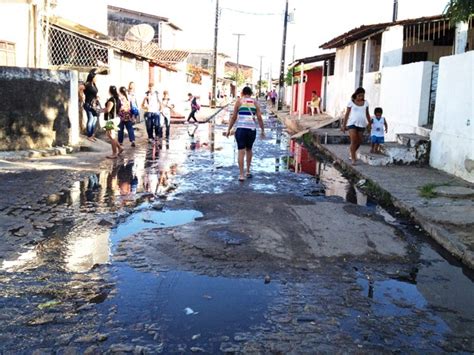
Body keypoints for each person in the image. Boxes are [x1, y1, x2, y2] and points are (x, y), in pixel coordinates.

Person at [225, 86, 265, 181]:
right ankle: (248, 171)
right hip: (251, 130)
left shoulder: (239, 102)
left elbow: (234, 117)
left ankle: (241, 175)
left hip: (241, 130)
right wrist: (262, 130)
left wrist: (229, 129)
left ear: (242, 93)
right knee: (249, 149)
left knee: (240, 151)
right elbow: (259, 117)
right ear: (251, 93)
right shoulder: (255, 102)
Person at [341, 87, 371, 165]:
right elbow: (347, 114)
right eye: (359, 96)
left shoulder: (366, 103)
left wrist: (369, 124)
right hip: (352, 124)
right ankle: (353, 159)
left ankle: (352, 152)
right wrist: (344, 125)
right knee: (354, 140)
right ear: (356, 95)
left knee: (359, 141)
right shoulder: (351, 102)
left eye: (362, 96)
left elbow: (367, 114)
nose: (361, 97)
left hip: (362, 124)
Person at [102, 86, 123, 159]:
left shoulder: (111, 99)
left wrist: (102, 110)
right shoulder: (117, 99)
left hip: (111, 120)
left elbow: (108, 110)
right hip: (115, 118)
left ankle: (114, 153)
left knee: (112, 136)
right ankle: (119, 148)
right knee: (109, 135)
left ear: (110, 91)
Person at [83, 70, 100, 142]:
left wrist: (97, 97)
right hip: (88, 104)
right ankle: (89, 135)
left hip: (94, 105)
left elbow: (94, 94)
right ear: (92, 78)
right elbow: (81, 90)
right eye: (95, 77)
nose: (96, 79)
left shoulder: (94, 85)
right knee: (91, 119)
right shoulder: (87, 85)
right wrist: (82, 99)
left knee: (95, 119)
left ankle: (92, 134)